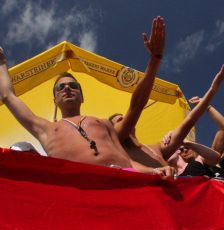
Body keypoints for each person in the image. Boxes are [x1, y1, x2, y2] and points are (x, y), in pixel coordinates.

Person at [0, 16, 174, 177]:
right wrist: (2, 64)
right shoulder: (45, 129)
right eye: (61, 87)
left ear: (82, 97)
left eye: (73, 85)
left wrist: (155, 59)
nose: (67, 88)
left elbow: (135, 108)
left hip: (125, 179)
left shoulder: (105, 124)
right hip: (79, 187)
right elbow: (8, 96)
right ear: (55, 100)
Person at [110, 61, 224, 173]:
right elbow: (136, 103)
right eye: (119, 120)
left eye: (124, 116)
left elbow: (189, 121)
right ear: (111, 131)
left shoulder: (157, 148)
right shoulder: (118, 154)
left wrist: (212, 90)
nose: (125, 119)